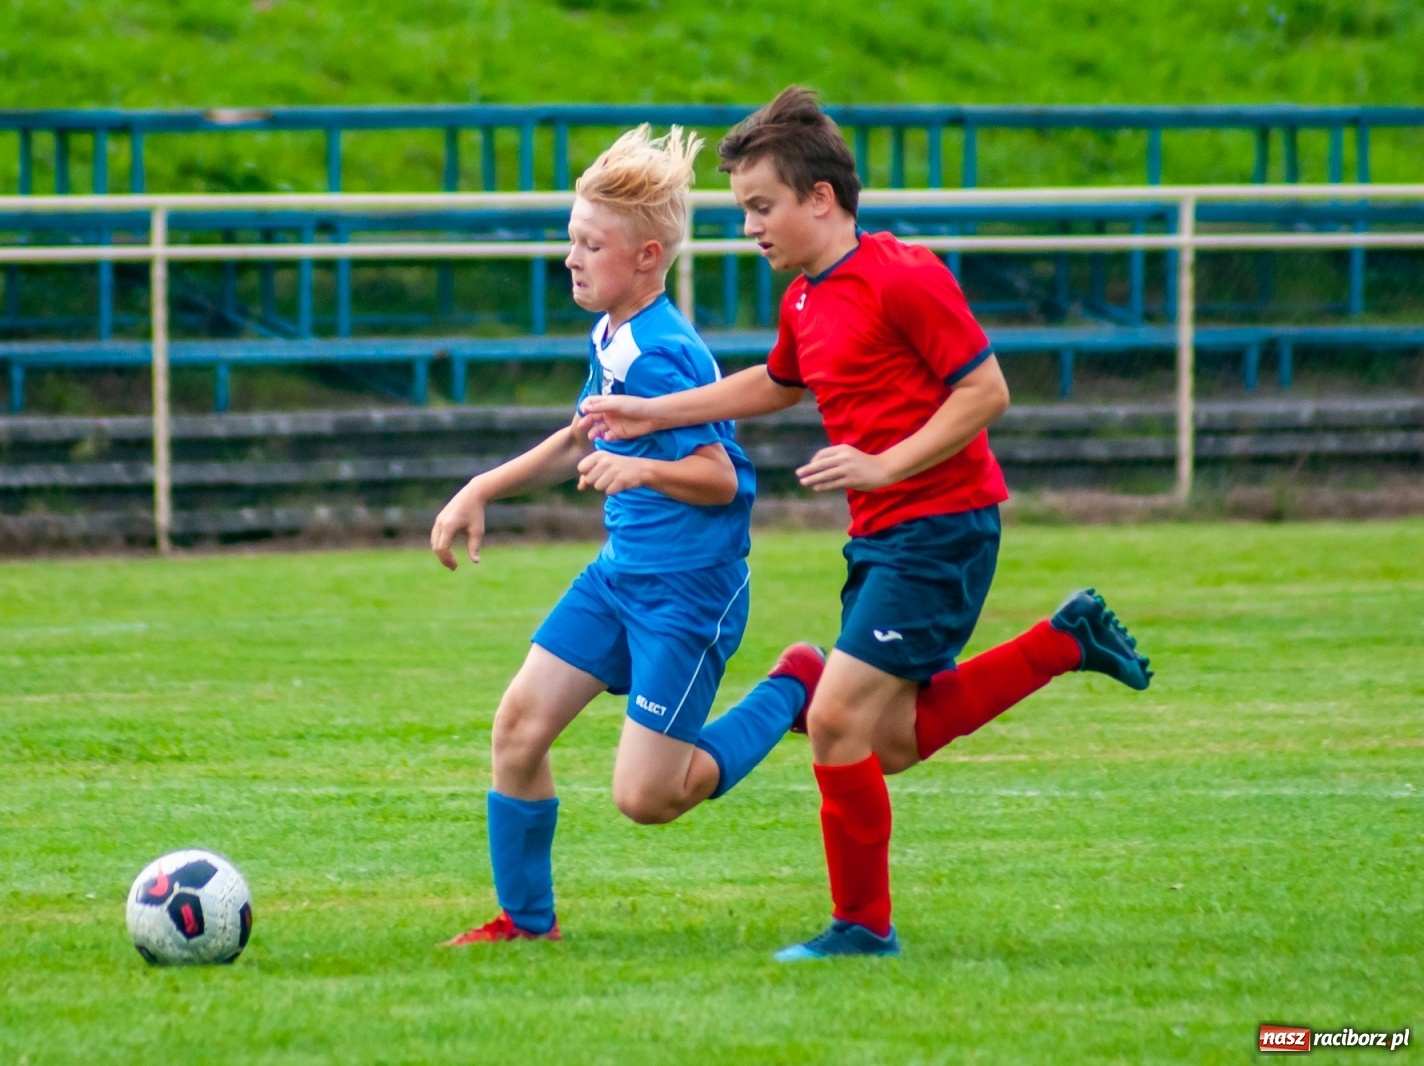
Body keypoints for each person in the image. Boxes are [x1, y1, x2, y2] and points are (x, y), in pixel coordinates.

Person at [580, 87, 1153, 961]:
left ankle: (861, 929)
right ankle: (1062, 642)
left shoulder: (903, 274)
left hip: (943, 525)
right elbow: (775, 385)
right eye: (742, 211)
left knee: (841, 721)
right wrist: (652, 414)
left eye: (761, 207)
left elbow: (986, 391)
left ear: (822, 198)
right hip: (882, 533)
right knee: (888, 741)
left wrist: (887, 463)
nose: (750, 228)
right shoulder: (807, 302)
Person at [430, 124, 827, 945]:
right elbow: (586, 433)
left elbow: (722, 478)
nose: (571, 258)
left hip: (688, 595)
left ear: (646, 257)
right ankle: (527, 924)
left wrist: (643, 470)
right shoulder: (613, 332)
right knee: (518, 729)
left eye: (589, 244)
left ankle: (793, 685)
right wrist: (484, 488)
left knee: (649, 798)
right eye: (570, 240)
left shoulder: (663, 352)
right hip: (620, 577)